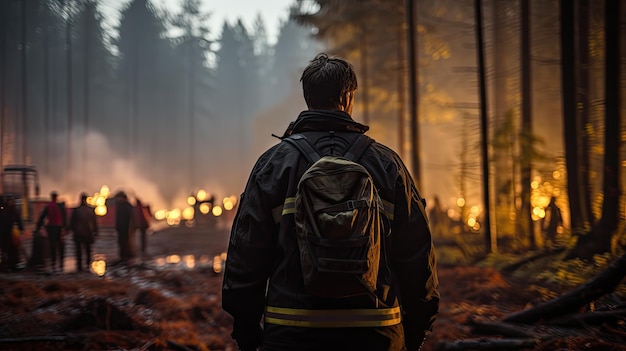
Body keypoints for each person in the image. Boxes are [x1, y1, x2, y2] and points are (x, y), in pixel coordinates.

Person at [221, 53, 439, 351]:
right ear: (349, 97)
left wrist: (247, 333)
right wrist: (414, 333)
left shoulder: (273, 166)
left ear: (308, 98)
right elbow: (417, 256)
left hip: (292, 335)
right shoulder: (388, 167)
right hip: (376, 335)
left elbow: (245, 257)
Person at [35, 191, 67, 273]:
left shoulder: (48, 206)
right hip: (59, 228)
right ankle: (61, 264)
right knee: (61, 247)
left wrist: (38, 228)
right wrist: (65, 229)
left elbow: (42, 217)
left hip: (51, 228)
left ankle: (53, 265)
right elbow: (65, 218)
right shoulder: (60, 207)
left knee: (53, 247)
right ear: (56, 197)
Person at [69, 192, 98, 272]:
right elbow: (94, 222)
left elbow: (72, 222)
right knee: (88, 249)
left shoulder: (76, 210)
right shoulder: (90, 210)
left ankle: (79, 266)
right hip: (88, 232)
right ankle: (88, 265)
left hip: (78, 233)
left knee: (79, 250)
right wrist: (95, 232)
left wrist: (70, 230)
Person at [0, 196, 24, 272]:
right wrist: (21, 228)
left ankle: (9, 265)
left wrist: (21, 227)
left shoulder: (8, 209)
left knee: (8, 249)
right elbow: (17, 219)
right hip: (5, 233)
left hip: (6, 232)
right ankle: (9, 265)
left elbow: (17, 219)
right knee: (8, 249)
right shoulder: (10, 209)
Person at [114, 191, 136, 264]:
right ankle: (122, 257)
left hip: (127, 228)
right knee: (121, 243)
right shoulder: (119, 205)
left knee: (127, 243)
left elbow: (131, 218)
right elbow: (118, 218)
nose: (118, 199)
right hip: (121, 228)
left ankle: (127, 257)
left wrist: (131, 228)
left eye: (119, 198)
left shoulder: (127, 206)